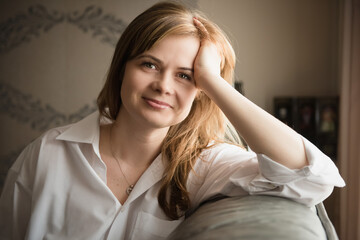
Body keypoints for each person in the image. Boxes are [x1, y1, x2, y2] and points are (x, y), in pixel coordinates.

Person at [0, 1, 345, 239]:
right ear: (122, 67)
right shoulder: (47, 154)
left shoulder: (204, 164)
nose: (163, 86)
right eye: (149, 64)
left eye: (184, 76)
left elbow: (311, 180)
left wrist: (213, 81)